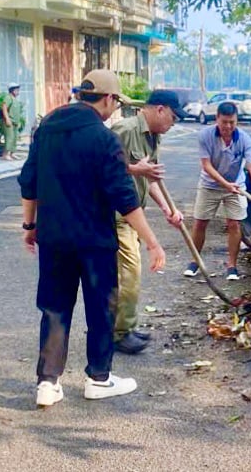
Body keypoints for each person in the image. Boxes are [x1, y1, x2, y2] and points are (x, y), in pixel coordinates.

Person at [18, 69, 166, 408]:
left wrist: (30, 227)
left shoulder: (46, 129)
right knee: (101, 307)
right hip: (95, 240)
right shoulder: (104, 138)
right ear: (109, 99)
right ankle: (99, 378)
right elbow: (124, 198)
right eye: (115, 103)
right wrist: (153, 243)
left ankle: (47, 382)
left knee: (54, 308)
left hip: (54, 239)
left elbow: (29, 181)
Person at [110, 90, 187, 354]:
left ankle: (122, 328)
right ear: (160, 109)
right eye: (173, 118)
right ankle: (120, 334)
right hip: (116, 214)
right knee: (130, 274)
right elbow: (99, 166)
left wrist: (167, 210)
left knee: (126, 275)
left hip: (133, 216)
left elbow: (150, 178)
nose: (172, 124)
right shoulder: (126, 129)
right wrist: (134, 169)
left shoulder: (153, 137)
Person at [183, 101, 251, 280]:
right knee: (200, 223)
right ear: (217, 119)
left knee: (234, 224)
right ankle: (195, 261)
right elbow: (206, 165)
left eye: (232, 122)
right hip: (209, 185)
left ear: (236, 121)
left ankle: (231, 266)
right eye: (224, 122)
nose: (228, 126)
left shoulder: (244, 139)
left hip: (236, 187)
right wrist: (225, 184)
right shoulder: (205, 136)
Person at [1, 82, 23, 161]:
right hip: (9, 121)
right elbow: (4, 108)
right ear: (12, 90)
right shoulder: (8, 98)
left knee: (14, 138)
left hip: (15, 122)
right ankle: (6, 154)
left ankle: (12, 153)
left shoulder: (15, 100)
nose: (18, 92)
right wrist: (7, 119)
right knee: (9, 138)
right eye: (17, 90)